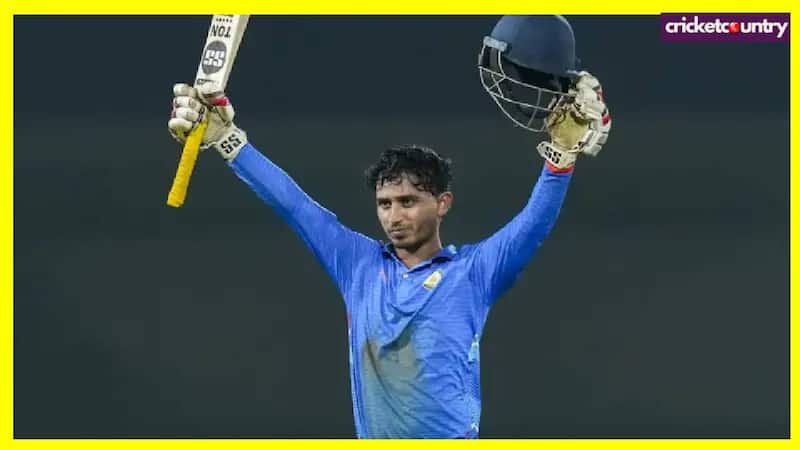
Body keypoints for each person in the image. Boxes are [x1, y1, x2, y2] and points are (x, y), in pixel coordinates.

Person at [167, 15, 611, 439]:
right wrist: (228, 141)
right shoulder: (358, 265)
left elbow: (531, 226)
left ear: (442, 204)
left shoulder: (473, 273)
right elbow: (296, 207)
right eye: (384, 204)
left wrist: (561, 159)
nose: (394, 216)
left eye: (407, 202)